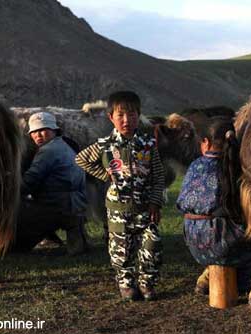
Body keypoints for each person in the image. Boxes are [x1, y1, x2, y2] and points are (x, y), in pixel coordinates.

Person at [176, 118, 251, 309]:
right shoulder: (239, 169)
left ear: (206, 143)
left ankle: (207, 278)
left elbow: (181, 203)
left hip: (194, 242)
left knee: (228, 235)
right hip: (222, 243)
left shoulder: (195, 166)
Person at [76, 91, 165, 301]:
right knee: (121, 251)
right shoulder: (104, 145)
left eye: (132, 115)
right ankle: (126, 284)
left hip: (145, 208)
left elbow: (158, 175)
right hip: (118, 211)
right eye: (121, 115)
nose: (127, 120)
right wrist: (104, 175)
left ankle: (147, 283)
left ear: (139, 115)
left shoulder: (148, 144)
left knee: (152, 246)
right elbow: (81, 160)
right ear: (111, 118)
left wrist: (155, 202)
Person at [14, 112, 89, 255]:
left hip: (57, 207)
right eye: (34, 132)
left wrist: (11, 191)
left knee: (17, 243)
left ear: (54, 130)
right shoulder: (67, 144)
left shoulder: (48, 151)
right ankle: (75, 238)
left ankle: (44, 236)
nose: (38, 135)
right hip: (77, 204)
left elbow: (30, 181)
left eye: (43, 130)